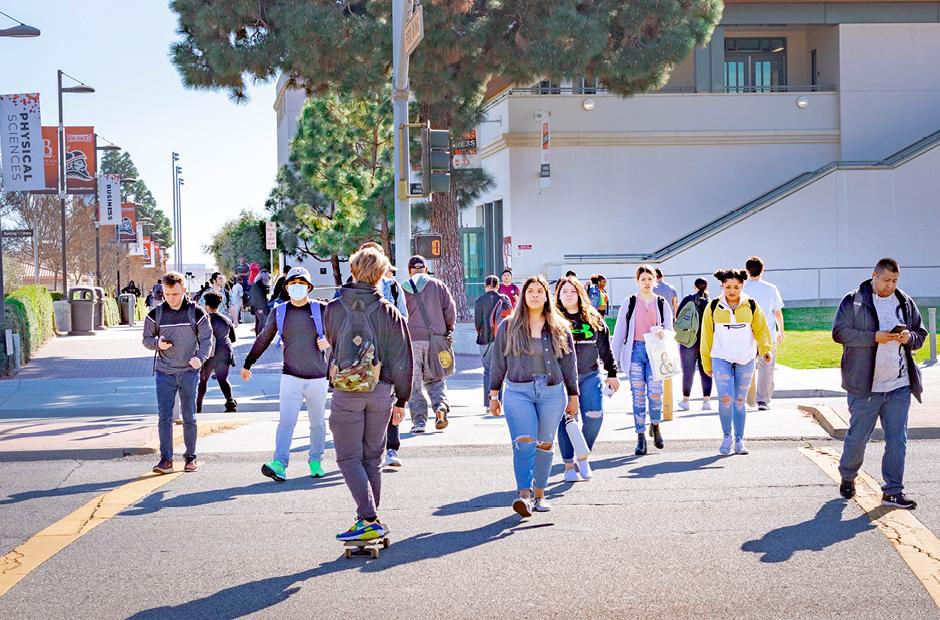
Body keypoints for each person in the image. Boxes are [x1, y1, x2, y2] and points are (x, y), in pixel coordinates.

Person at [325, 245, 413, 542]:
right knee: (372, 458)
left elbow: (333, 344)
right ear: (380, 276)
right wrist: (402, 399)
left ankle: (369, 518)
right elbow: (403, 358)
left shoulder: (334, 309)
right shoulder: (389, 312)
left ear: (353, 270)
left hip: (346, 391)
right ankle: (368, 518)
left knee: (348, 458)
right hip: (380, 391)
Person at [833, 258, 927, 509]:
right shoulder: (854, 301)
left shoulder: (904, 301)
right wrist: (874, 337)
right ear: (874, 275)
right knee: (857, 438)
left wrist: (909, 337)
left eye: (895, 281)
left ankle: (893, 491)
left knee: (897, 440)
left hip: (899, 385)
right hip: (865, 388)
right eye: (886, 280)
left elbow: (921, 334)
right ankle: (848, 476)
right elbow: (840, 333)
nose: (890, 285)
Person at [489, 275, 579, 516]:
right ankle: (524, 496)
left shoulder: (559, 327)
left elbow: (569, 363)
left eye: (540, 291)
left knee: (545, 444)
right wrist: (493, 394)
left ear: (546, 296)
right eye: (531, 291)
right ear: (523, 296)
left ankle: (540, 494)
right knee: (524, 442)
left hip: (552, 392)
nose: (535, 294)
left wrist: (574, 395)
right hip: (519, 391)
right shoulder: (509, 325)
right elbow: (498, 360)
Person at [242, 267, 332, 481]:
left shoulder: (322, 309)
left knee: (318, 422)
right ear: (287, 287)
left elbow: (343, 330)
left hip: (318, 378)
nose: (297, 287)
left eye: (302, 284)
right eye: (293, 284)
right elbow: (264, 338)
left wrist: (330, 340)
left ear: (309, 287)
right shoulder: (279, 312)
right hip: (290, 376)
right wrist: (248, 362)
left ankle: (316, 461)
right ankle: (279, 463)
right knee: (286, 421)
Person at [142, 271, 214, 474]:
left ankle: (190, 457)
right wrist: (158, 344)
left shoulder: (196, 312)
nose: (171, 298)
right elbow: (146, 339)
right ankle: (166, 460)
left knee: (189, 416)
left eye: (175, 294)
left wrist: (199, 358)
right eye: (166, 294)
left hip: (189, 372)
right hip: (164, 373)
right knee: (164, 417)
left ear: (184, 290)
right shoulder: (156, 314)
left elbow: (208, 339)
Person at [700, 269, 773, 456]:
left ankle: (739, 440)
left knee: (739, 401)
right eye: (728, 287)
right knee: (725, 399)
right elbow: (706, 335)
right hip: (720, 358)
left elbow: (762, 329)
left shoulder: (751, 305)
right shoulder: (713, 305)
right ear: (722, 286)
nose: (732, 291)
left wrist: (765, 349)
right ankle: (727, 437)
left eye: (736, 287)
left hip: (745, 359)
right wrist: (706, 362)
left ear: (743, 285)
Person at [555, 275, 618, 482]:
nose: (568, 295)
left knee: (594, 416)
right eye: (564, 291)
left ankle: (583, 456)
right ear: (558, 295)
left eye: (572, 291)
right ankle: (568, 464)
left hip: (590, 375)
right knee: (568, 421)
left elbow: (605, 348)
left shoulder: (593, 317)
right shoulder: (552, 318)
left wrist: (612, 373)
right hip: (563, 379)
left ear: (580, 293)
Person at [611, 265, 674, 456]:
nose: (647, 283)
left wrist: (664, 332)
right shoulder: (629, 302)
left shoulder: (662, 303)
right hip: (635, 351)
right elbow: (620, 332)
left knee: (656, 393)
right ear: (637, 281)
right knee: (637, 395)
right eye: (643, 279)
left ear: (655, 280)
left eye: (650, 279)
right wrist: (612, 363)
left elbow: (671, 330)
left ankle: (655, 425)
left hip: (656, 351)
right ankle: (640, 437)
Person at [402, 255, 456, 433]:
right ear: (425, 269)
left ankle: (419, 422)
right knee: (435, 378)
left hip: (410, 341)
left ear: (410, 270)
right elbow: (450, 309)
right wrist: (448, 329)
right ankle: (440, 406)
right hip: (436, 340)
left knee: (414, 383)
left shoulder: (403, 288)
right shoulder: (438, 285)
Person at [743, 256, 785, 410]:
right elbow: (777, 312)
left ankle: (748, 399)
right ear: (763, 270)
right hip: (767, 335)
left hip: (746, 335)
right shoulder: (771, 288)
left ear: (747, 271)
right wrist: (781, 330)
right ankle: (763, 401)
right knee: (766, 368)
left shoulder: (742, 289)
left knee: (745, 366)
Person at [474, 275, 512, 413]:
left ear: (485, 285)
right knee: (500, 372)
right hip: (501, 340)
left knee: (487, 372)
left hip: (484, 340)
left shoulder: (479, 300)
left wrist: (483, 332)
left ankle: (487, 404)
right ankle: (498, 402)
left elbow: (477, 323)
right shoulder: (504, 299)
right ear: (497, 285)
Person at [196, 292, 237, 414]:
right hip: (225, 352)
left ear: (206, 305)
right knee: (223, 379)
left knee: (203, 380)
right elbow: (233, 338)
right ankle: (230, 403)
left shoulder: (204, 321)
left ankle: (198, 407)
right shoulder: (226, 320)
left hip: (209, 354)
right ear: (219, 304)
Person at [676, 278, 713, 411]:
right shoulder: (710, 303)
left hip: (688, 341)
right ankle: (706, 401)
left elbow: (678, 316)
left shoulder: (688, 300)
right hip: (705, 341)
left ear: (694, 287)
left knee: (688, 371)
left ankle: (686, 400)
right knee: (706, 371)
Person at [249, 270, 271, 336]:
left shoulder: (257, 284)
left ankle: (258, 336)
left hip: (257, 307)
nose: (268, 277)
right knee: (262, 321)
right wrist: (260, 308)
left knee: (258, 322)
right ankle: (260, 336)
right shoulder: (259, 285)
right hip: (260, 307)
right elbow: (258, 298)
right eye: (267, 276)